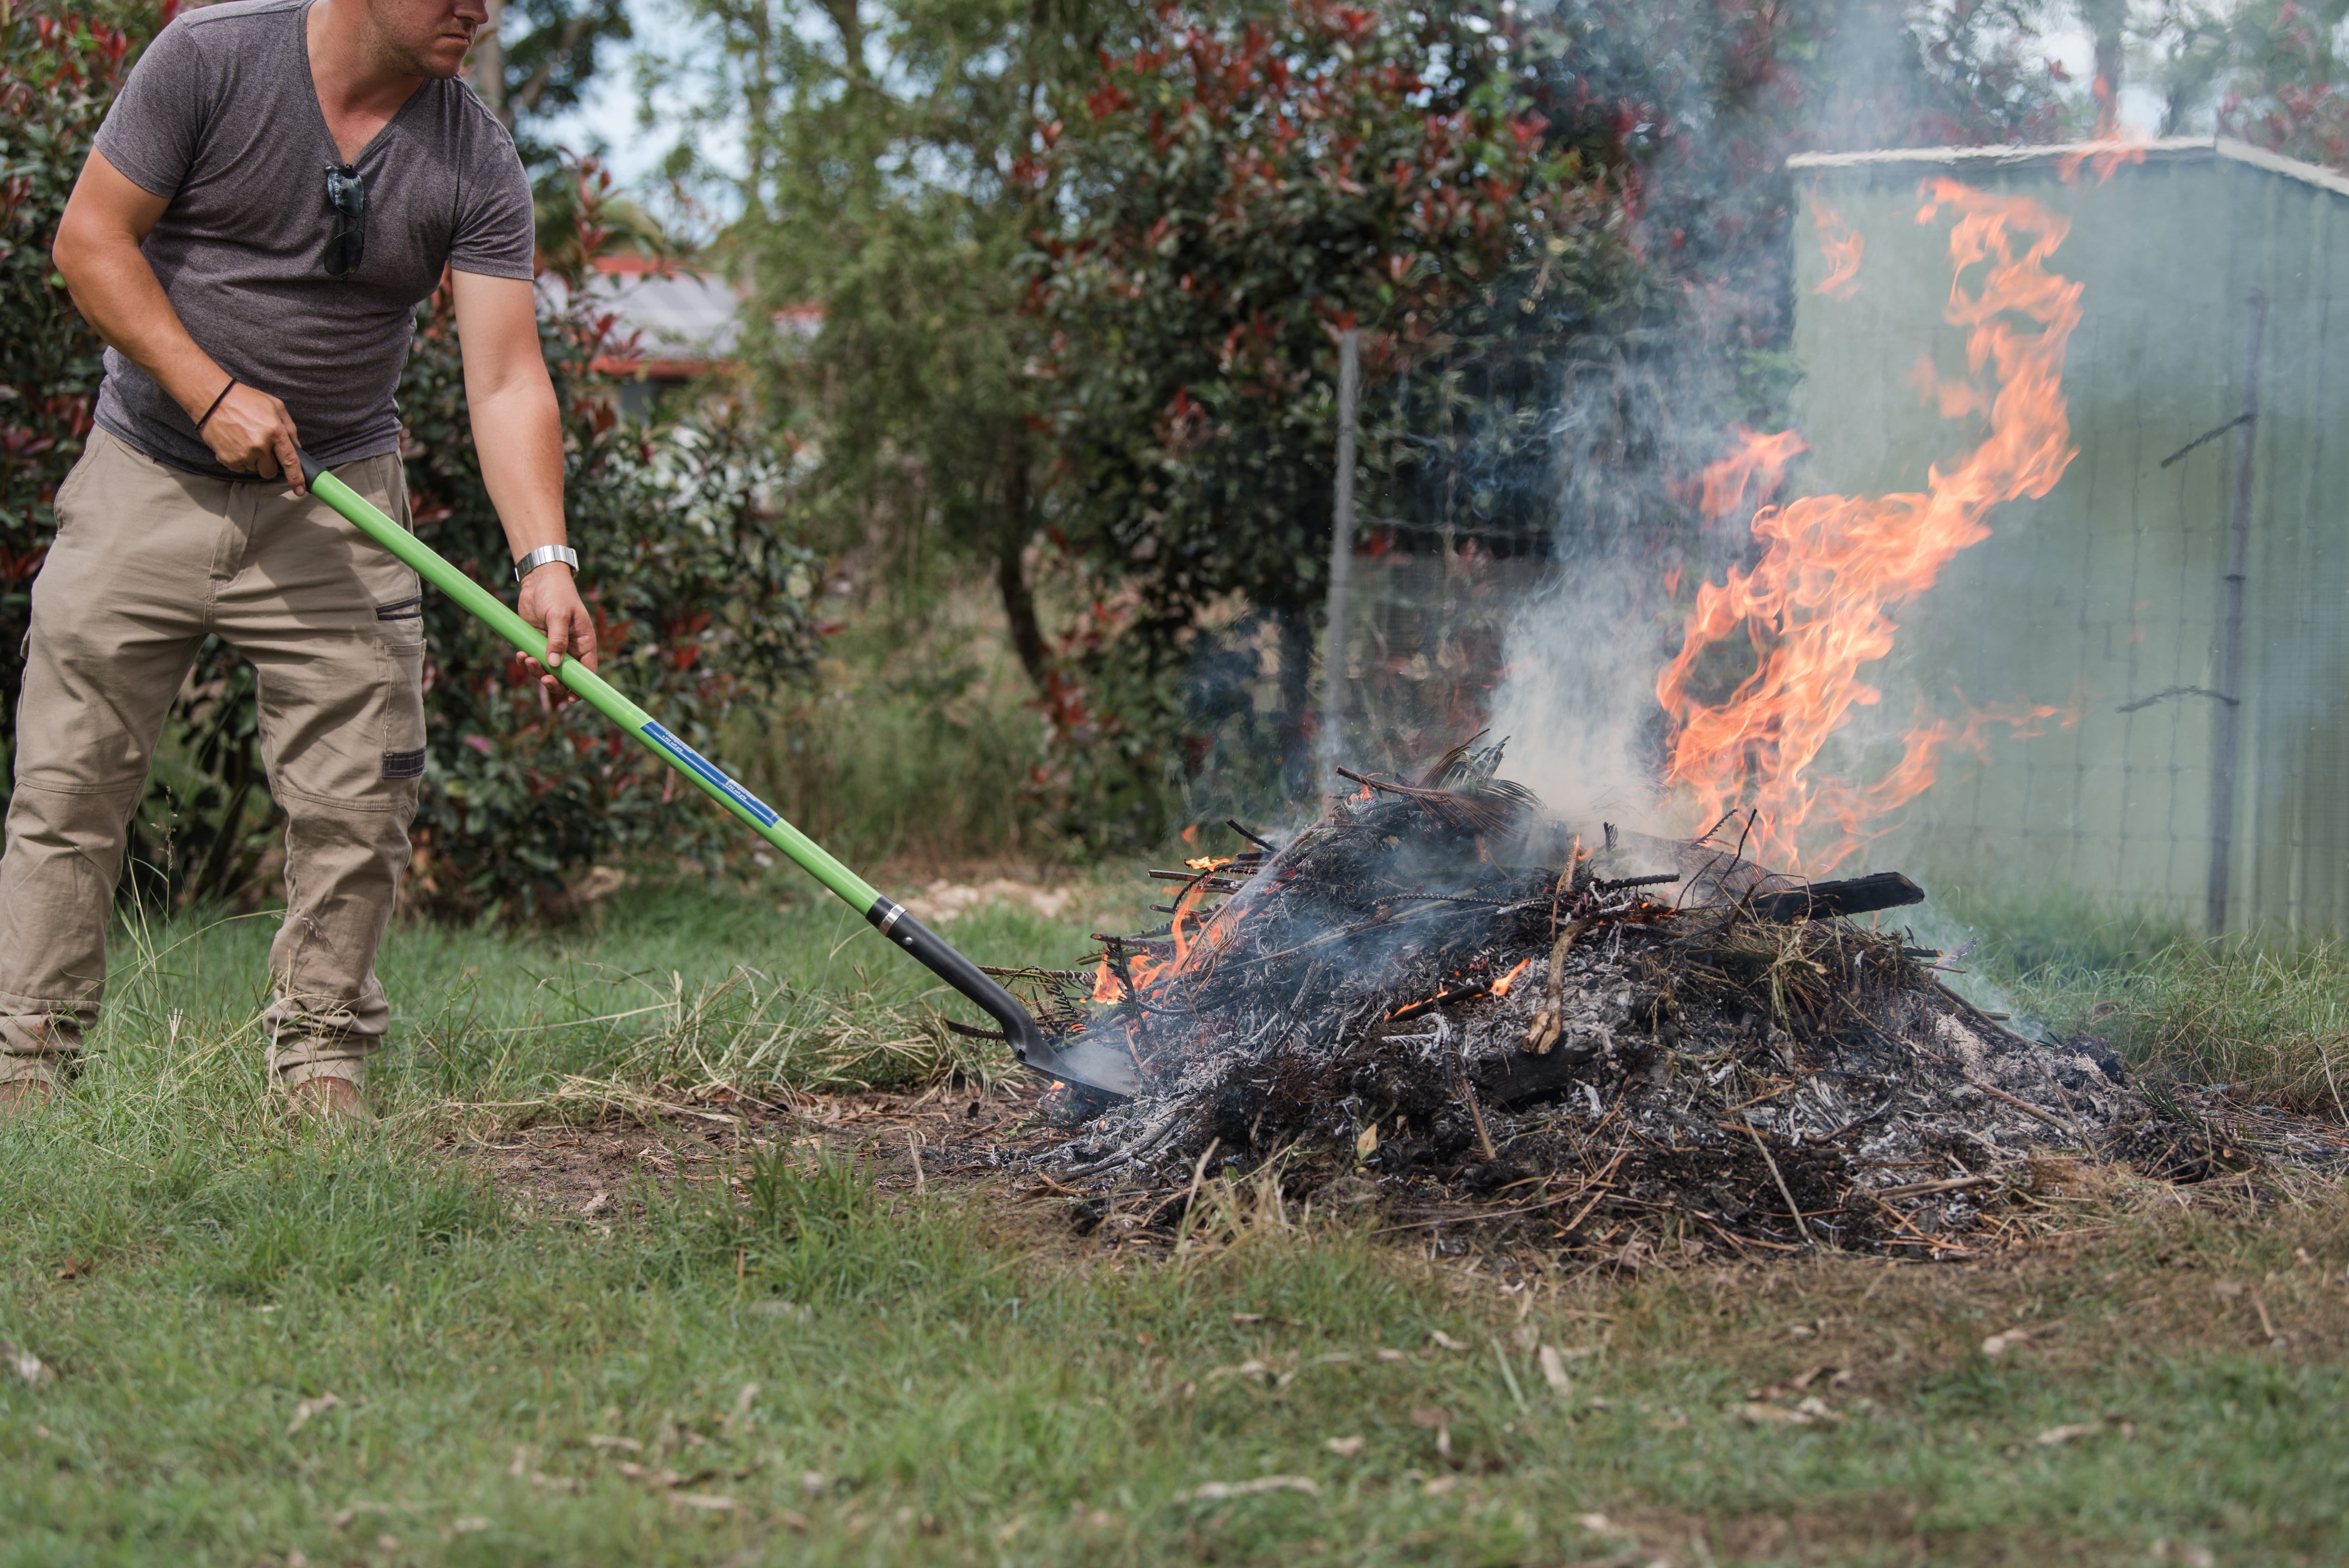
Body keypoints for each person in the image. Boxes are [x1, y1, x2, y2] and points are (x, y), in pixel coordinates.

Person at [0, 0, 596, 1120]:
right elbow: (88, 240)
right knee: (69, 785)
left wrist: (545, 557)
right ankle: (28, 1069)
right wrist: (208, 390)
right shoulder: (213, 59)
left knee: (361, 796)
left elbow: (507, 377)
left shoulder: (473, 154)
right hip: (149, 471)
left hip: (338, 501)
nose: (480, 8)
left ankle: (322, 1062)